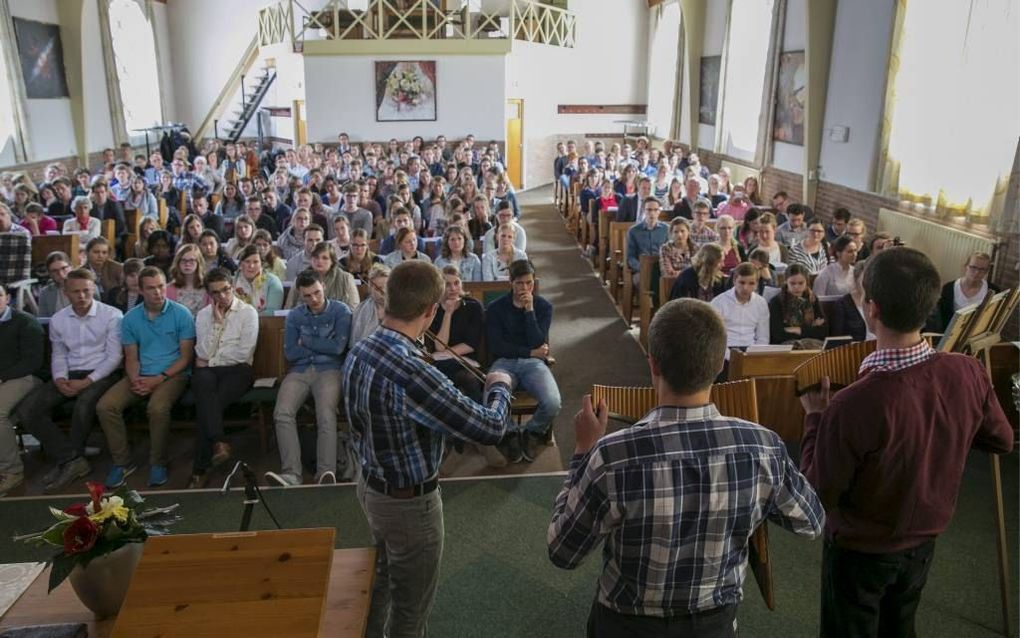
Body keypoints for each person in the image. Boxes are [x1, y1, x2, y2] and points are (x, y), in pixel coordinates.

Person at [548, 298, 824, 637]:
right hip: (713, 622)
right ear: (720, 365)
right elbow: (811, 523)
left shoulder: (611, 455)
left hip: (627, 622)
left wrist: (582, 451)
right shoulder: (762, 446)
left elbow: (563, 552)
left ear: (654, 365)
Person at [799, 247, 1013, 637]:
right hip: (924, 541)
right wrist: (948, 429)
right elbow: (1001, 440)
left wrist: (815, 418)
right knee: (900, 626)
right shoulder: (966, 370)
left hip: (861, 551)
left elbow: (814, 496)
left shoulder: (852, 403)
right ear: (931, 304)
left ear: (872, 310)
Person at [342, 260, 514, 637]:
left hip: (370, 485)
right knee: (409, 612)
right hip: (408, 505)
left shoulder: (360, 349)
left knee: (383, 581)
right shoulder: (412, 372)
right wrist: (499, 385)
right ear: (431, 311)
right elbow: (490, 427)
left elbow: (355, 424)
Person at [15, 269, 123, 493]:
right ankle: (71, 459)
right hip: (69, 372)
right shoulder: (59, 319)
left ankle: (69, 462)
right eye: (76, 292)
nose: (82, 296)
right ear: (66, 293)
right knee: (28, 410)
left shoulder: (112, 315)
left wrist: (87, 381)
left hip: (102, 373)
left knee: (84, 405)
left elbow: (114, 357)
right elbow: (59, 354)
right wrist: (60, 378)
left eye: (86, 290)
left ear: (94, 289)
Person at [96, 267, 195, 488]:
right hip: (141, 374)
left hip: (173, 374)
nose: (158, 292)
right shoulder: (130, 318)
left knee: (157, 408)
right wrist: (135, 380)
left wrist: (159, 378)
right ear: (141, 290)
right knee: (106, 406)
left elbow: (185, 358)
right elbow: (131, 357)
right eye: (151, 288)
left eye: (161, 286)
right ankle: (122, 463)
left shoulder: (181, 313)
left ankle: (157, 462)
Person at [267, 270, 352, 487]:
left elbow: (338, 348)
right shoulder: (295, 315)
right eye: (307, 296)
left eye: (316, 293)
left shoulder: (340, 310)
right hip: (300, 370)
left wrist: (306, 341)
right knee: (282, 412)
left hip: (330, 370)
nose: (313, 299)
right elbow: (290, 353)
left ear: (323, 286)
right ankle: (291, 474)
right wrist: (321, 348)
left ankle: (326, 472)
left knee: (326, 413)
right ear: (300, 295)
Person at [187, 268, 259, 489]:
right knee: (202, 382)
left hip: (238, 371)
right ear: (209, 294)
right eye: (216, 293)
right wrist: (217, 325)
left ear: (232, 287)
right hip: (210, 373)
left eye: (226, 290)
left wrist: (211, 361)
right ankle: (219, 441)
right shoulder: (203, 315)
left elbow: (243, 353)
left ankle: (200, 471)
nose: (223, 296)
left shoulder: (248, 313)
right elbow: (201, 351)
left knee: (207, 405)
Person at [486, 260, 560, 463]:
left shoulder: (543, 307)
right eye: (520, 283)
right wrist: (530, 352)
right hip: (503, 362)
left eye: (529, 283)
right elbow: (497, 347)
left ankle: (531, 432)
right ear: (511, 282)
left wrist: (529, 311)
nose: (525, 288)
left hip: (534, 365)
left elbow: (539, 341)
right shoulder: (495, 308)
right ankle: (509, 433)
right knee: (491, 398)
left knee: (553, 402)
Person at [0, 284, 45, 496]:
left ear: (7, 297)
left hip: (27, 377)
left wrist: (2, 377)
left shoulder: (25, 322)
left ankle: (13, 472)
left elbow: (33, 362)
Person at [711, 262, 770, 356]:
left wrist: (755, 355)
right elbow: (714, 337)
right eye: (742, 283)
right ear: (734, 280)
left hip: (751, 350)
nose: (745, 288)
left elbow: (763, 337)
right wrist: (730, 357)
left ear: (756, 284)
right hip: (725, 350)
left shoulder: (761, 303)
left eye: (751, 283)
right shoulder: (719, 302)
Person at [285, 242, 360, 310]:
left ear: (332, 261)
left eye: (325, 258)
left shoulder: (346, 278)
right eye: (316, 257)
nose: (319, 261)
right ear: (311, 259)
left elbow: (354, 308)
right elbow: (289, 308)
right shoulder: (300, 279)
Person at [936, 251, 996, 331]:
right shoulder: (949, 288)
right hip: (953, 332)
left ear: (986, 272)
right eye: (973, 267)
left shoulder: (993, 290)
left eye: (982, 269)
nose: (977, 272)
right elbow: (943, 319)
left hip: (977, 333)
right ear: (966, 267)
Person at [769, 263, 827, 344]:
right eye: (792, 283)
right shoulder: (776, 302)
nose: (796, 287)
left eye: (801, 283)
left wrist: (798, 330)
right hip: (786, 346)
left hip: (812, 344)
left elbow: (823, 331)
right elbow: (777, 335)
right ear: (786, 282)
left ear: (807, 282)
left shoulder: (813, 299)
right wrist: (810, 329)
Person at [626, 197, 669, 286]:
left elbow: (670, 252)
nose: (652, 213)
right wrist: (643, 268)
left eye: (655, 210)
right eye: (649, 210)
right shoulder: (634, 231)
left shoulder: (666, 229)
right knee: (645, 281)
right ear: (644, 211)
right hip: (641, 270)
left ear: (659, 211)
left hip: (661, 269)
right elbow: (630, 257)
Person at [233, 244, 284, 316]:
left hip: (264, 324)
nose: (251, 266)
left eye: (255, 262)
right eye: (247, 261)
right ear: (241, 264)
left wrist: (249, 320)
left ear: (261, 264)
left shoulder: (273, 282)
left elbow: (272, 311)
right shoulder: (232, 281)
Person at [829, 263, 872, 342]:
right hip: (855, 350)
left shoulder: (880, 301)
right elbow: (837, 338)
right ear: (856, 280)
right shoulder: (842, 304)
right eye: (864, 280)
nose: (868, 284)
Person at [349, 264, 389, 344]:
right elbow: (356, 340)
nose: (384, 292)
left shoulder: (400, 308)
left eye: (387, 287)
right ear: (370, 288)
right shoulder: (361, 310)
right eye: (379, 288)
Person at [165, 243, 209, 316]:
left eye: (191, 260)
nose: (187, 264)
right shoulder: (168, 289)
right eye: (183, 260)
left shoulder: (208, 288)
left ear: (198, 263)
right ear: (178, 263)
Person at [37, 252, 74, 318]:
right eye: (54, 271)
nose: (60, 274)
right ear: (50, 273)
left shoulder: (87, 287)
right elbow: (43, 320)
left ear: (71, 267)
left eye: (64, 268)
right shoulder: (45, 292)